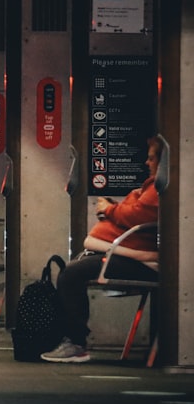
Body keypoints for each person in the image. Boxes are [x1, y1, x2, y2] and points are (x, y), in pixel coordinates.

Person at [42, 136, 163, 363]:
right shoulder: (151, 188)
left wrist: (109, 210)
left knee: (71, 274)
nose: (147, 163)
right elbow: (132, 208)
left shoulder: (158, 189)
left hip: (139, 260)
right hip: (127, 253)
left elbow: (136, 214)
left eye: (151, 158)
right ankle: (72, 339)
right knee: (74, 270)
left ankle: (76, 343)